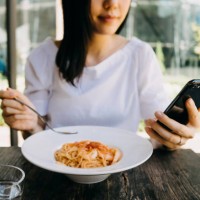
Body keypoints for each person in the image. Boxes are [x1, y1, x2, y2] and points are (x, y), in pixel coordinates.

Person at [0, 0, 199, 150]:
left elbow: (158, 131)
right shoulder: (42, 57)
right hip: (58, 164)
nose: (112, 4)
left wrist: (173, 136)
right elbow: (37, 130)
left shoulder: (140, 55)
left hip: (123, 167)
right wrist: (28, 123)